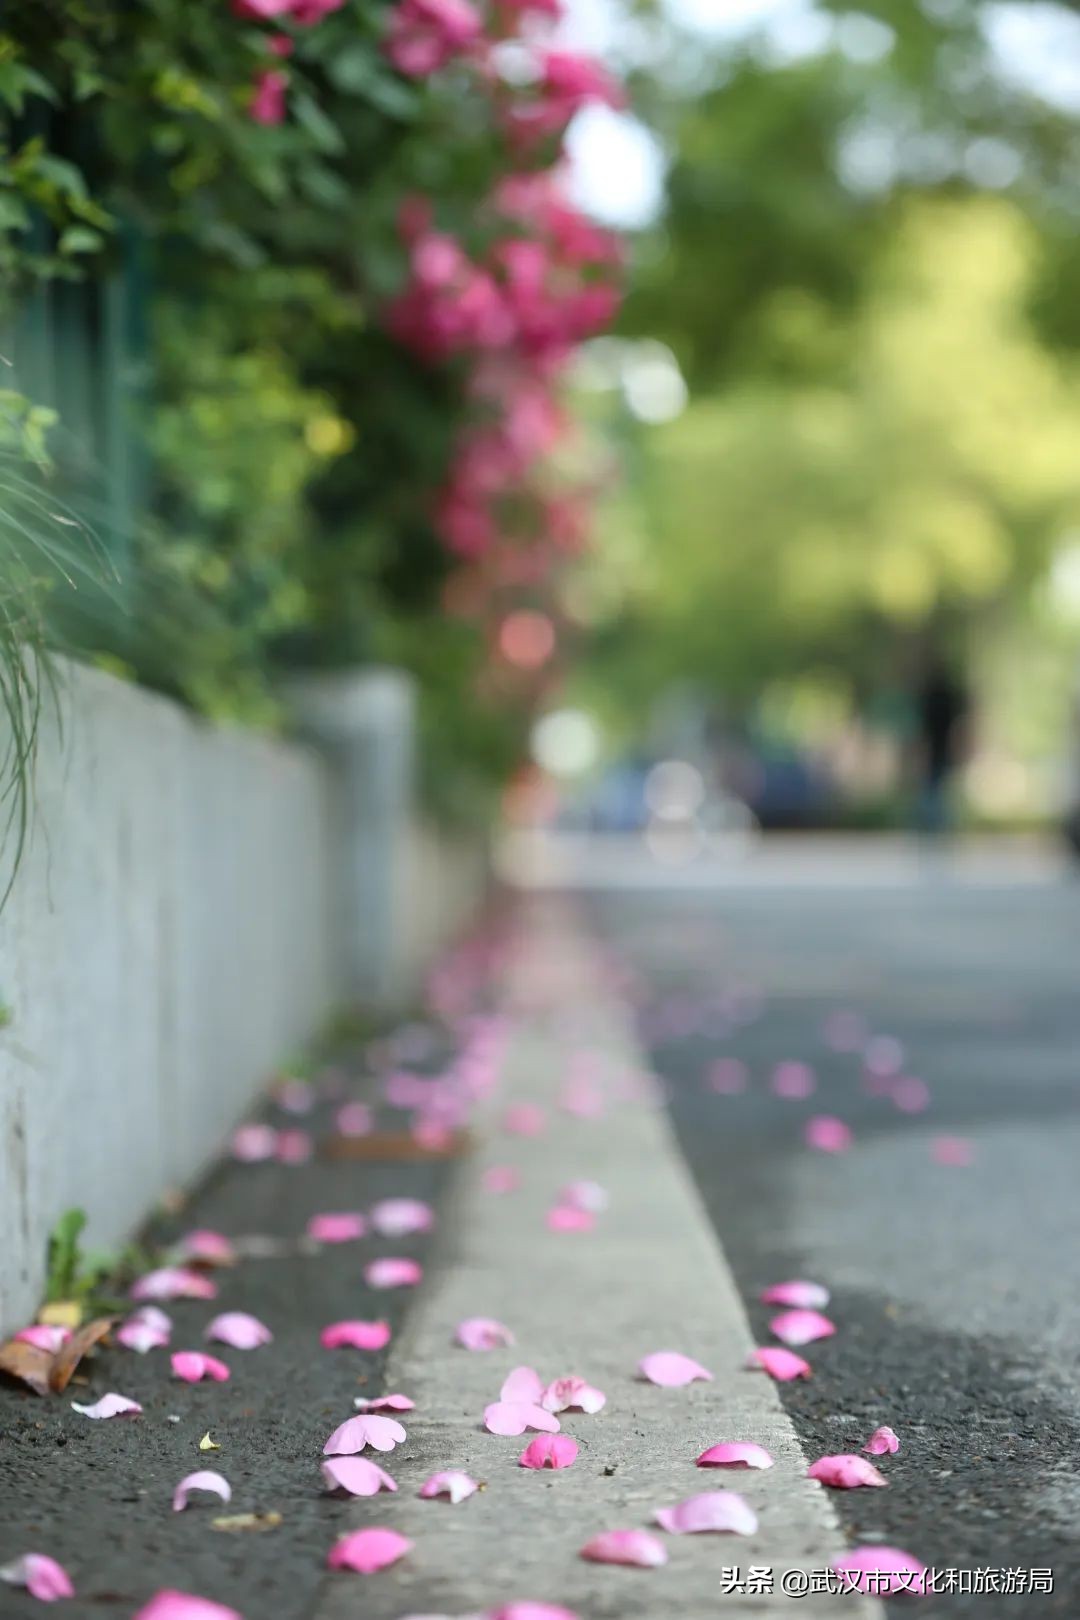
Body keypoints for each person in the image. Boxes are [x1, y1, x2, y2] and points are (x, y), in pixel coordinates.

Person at [914, 657, 969, 835]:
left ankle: (931, 821)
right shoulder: (946, 696)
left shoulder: (931, 697)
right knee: (937, 785)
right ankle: (935, 821)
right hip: (941, 746)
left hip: (936, 747)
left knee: (933, 785)